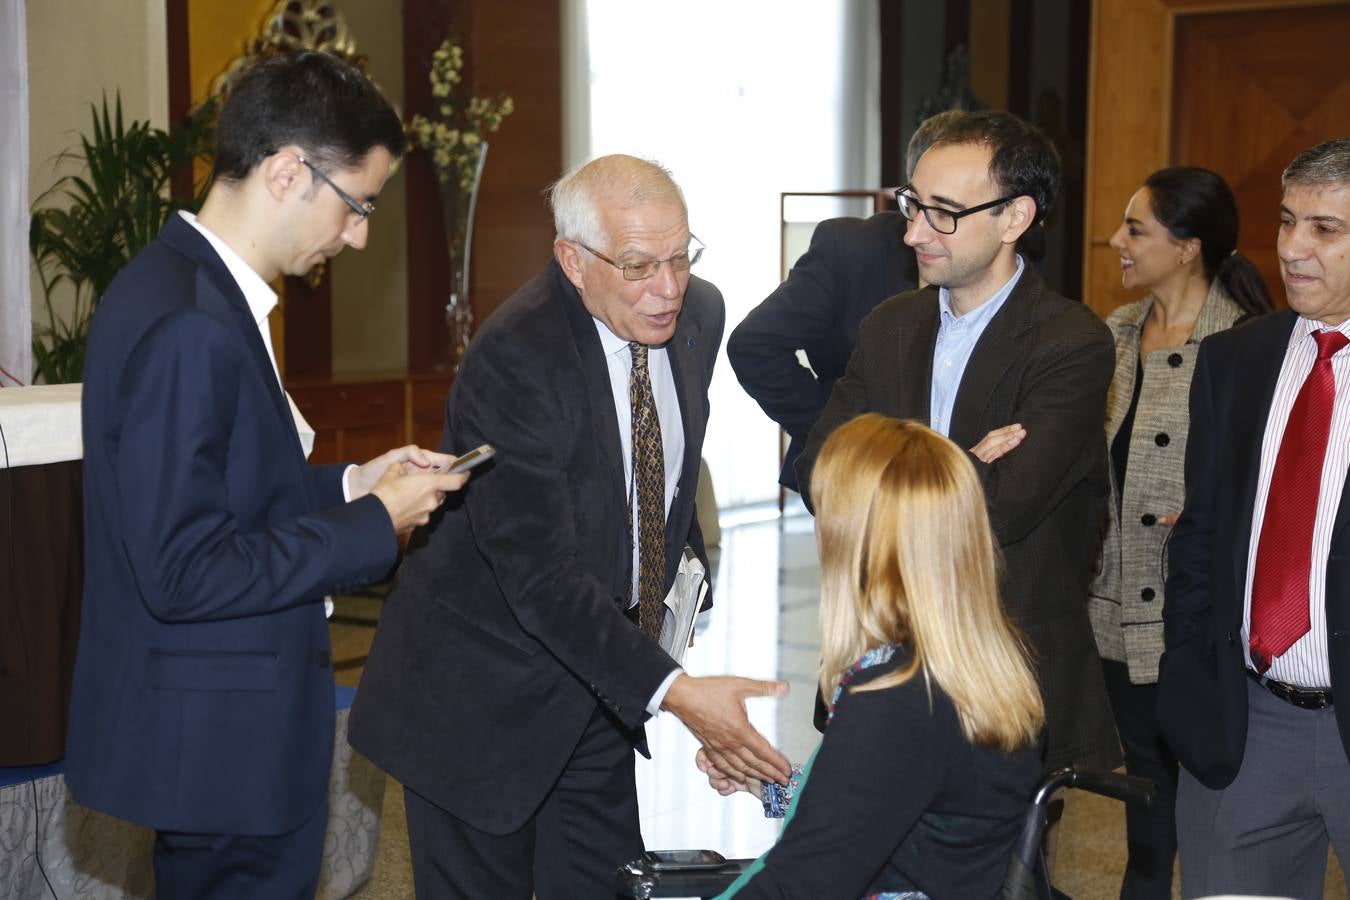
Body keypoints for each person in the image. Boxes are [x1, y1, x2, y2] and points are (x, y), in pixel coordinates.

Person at [64, 51, 468, 899]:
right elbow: (184, 570)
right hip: (223, 754)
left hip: (219, 744)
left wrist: (354, 485)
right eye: (357, 205)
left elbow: (226, 491)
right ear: (289, 172)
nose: (357, 235)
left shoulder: (186, 288)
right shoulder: (191, 324)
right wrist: (370, 529)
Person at [347, 154, 792, 899]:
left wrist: (673, 618)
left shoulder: (697, 317)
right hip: (481, 702)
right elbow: (541, 577)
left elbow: (658, 483)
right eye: (639, 264)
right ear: (573, 260)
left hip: (598, 689)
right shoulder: (516, 357)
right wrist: (680, 694)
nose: (669, 287)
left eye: (682, 257)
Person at [797, 110, 1121, 775]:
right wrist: (960, 467)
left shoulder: (1071, 342)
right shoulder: (890, 325)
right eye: (913, 205)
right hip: (880, 652)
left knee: (1003, 879)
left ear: (1014, 218)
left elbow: (1005, 509)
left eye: (943, 212)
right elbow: (817, 473)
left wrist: (882, 468)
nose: (914, 231)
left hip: (1003, 671)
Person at [699, 414, 1043, 898]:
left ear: (855, 540)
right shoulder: (971, 663)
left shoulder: (894, 696)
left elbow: (801, 885)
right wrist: (773, 784)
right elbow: (908, 805)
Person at [1159, 137, 1350, 897]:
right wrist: (1192, 664)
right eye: (1286, 221)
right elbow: (1200, 531)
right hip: (1245, 725)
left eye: (1325, 229)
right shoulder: (1236, 359)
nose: (1294, 249)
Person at [1087, 166, 1272, 898]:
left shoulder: (1249, 345)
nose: (1116, 241)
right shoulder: (1115, 332)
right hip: (1111, 615)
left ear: (1188, 246)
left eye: (1135, 229)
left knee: (1203, 810)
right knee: (1143, 809)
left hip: (1194, 618)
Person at [727, 111, 963, 492]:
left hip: (958, 483)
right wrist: (842, 431)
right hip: (857, 483)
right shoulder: (851, 250)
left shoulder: (1005, 261)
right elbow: (754, 344)